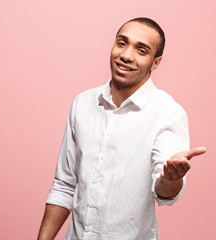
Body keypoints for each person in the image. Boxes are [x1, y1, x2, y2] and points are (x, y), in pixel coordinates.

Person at [37, 17, 206, 240]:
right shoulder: (83, 103)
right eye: (122, 43)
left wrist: (170, 178)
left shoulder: (168, 113)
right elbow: (65, 184)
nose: (126, 55)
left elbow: (164, 191)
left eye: (142, 50)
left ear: (156, 62)